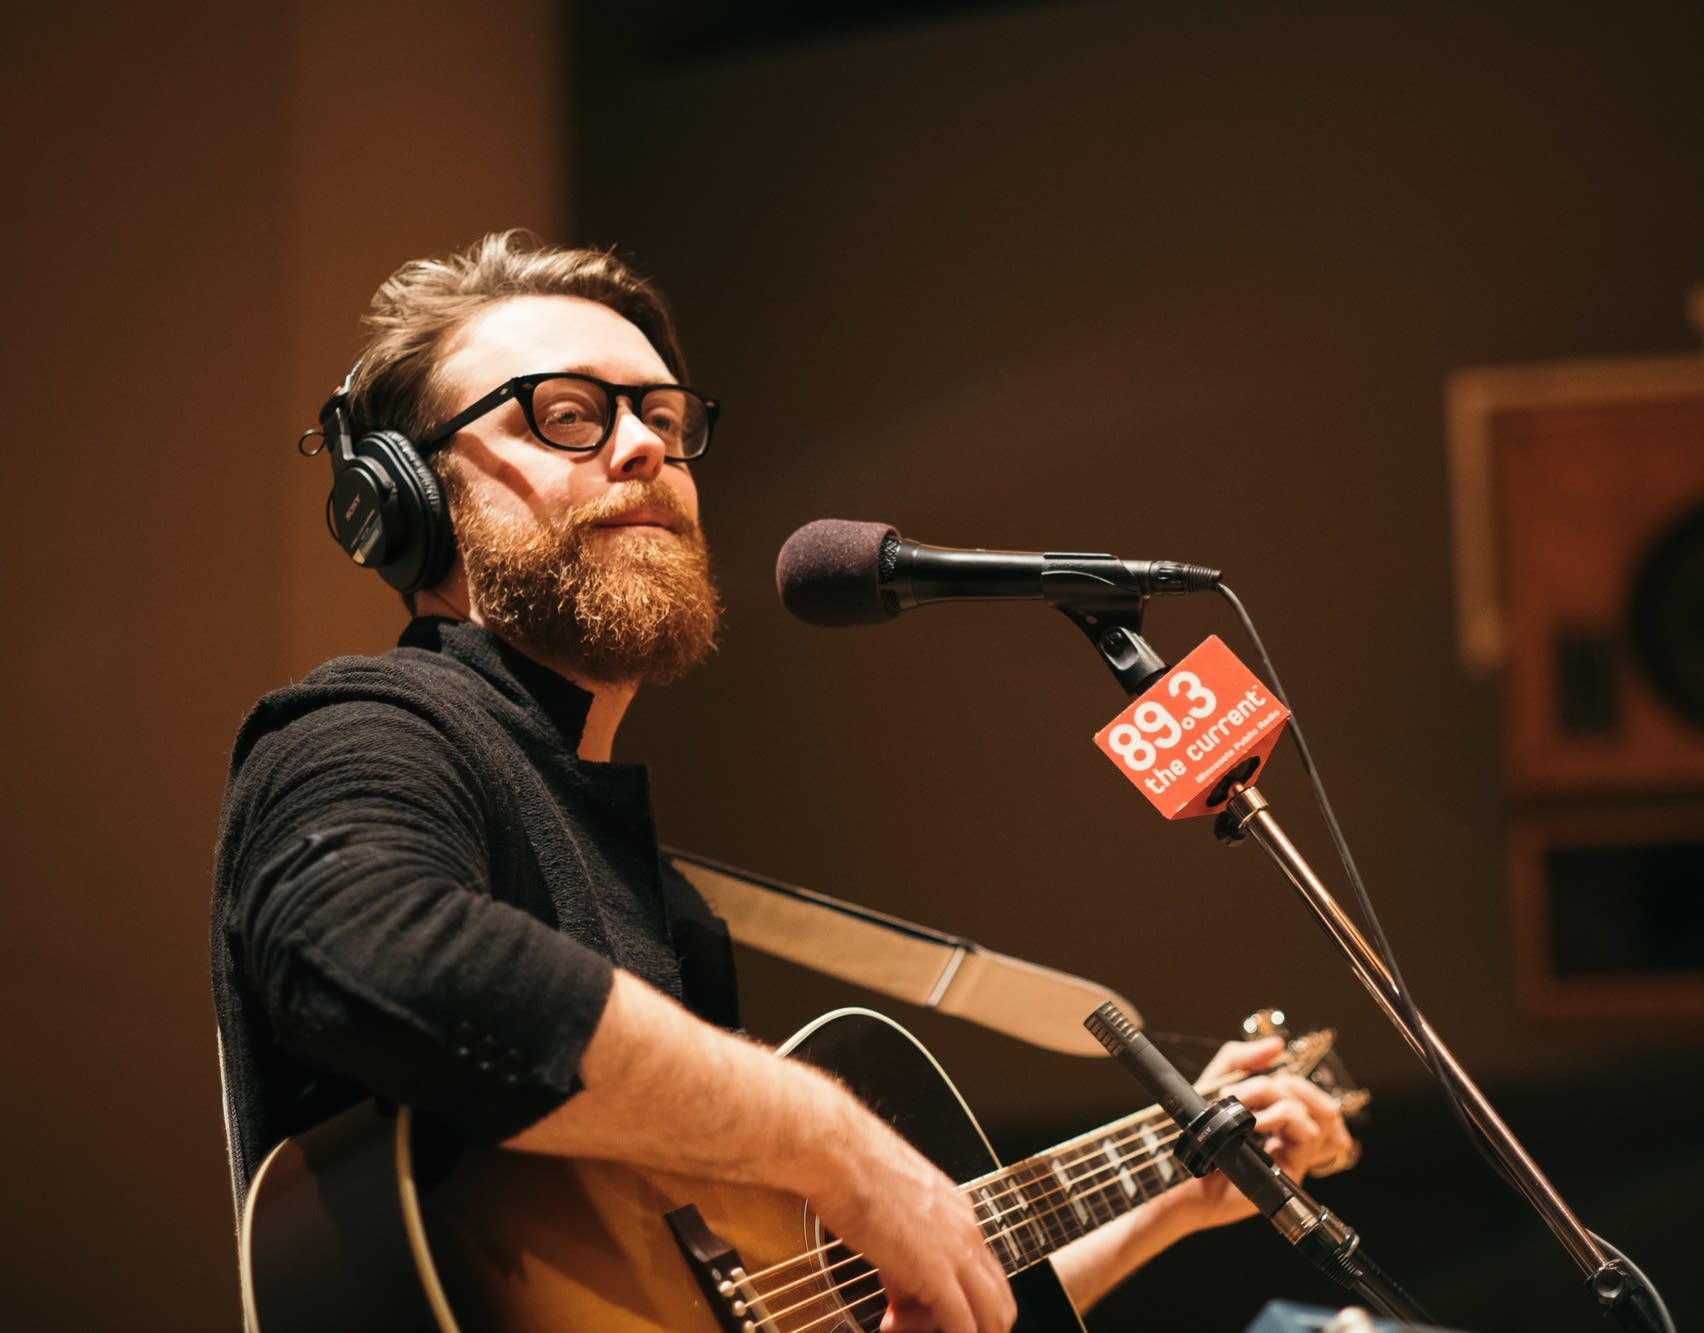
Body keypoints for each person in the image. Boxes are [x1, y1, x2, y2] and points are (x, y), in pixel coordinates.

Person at [210, 230, 1355, 1332]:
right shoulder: (369, 726)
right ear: (409, 495)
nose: (645, 445)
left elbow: (801, 1306)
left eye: (662, 414)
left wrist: (1169, 1192)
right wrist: (837, 1142)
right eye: (568, 413)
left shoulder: (667, 910)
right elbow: (356, 941)